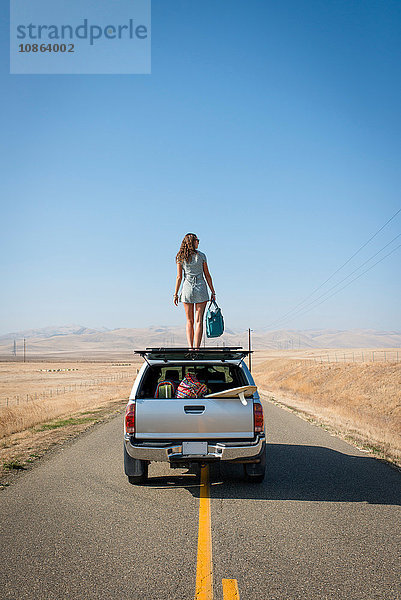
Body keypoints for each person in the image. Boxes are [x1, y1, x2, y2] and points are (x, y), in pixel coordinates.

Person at [173, 233, 216, 349]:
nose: (198, 242)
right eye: (197, 240)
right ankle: (197, 348)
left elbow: (179, 277)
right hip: (201, 288)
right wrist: (213, 291)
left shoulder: (180, 257)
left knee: (189, 321)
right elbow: (207, 275)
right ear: (192, 242)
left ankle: (190, 348)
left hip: (187, 288)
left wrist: (175, 294)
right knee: (198, 321)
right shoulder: (201, 256)